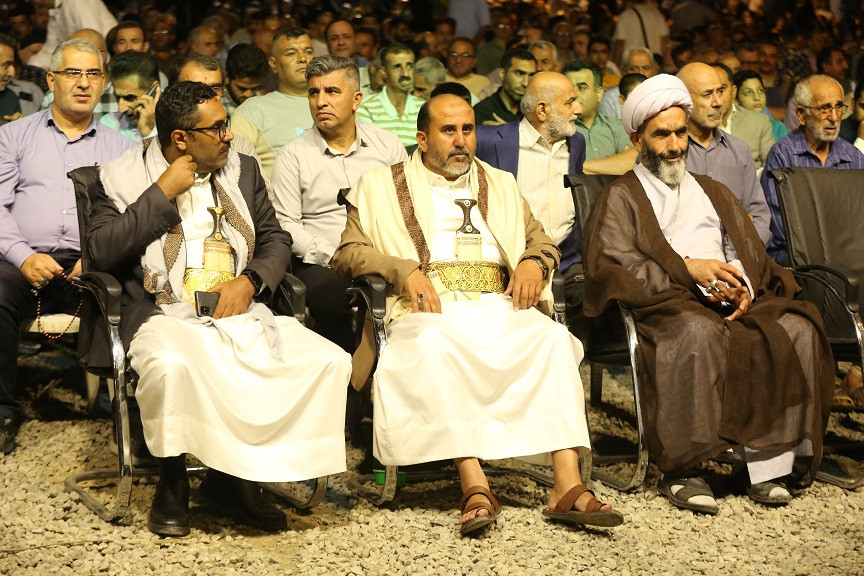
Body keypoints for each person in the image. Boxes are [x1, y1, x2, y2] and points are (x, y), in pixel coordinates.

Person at [331, 93, 623, 535]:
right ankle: (474, 482)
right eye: (448, 131)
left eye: (467, 130)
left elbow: (541, 241)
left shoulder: (500, 182)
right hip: (425, 308)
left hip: (499, 303)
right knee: (434, 345)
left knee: (552, 340)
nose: (461, 141)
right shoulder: (378, 185)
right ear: (422, 139)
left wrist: (533, 263)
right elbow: (347, 253)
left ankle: (566, 485)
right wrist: (401, 270)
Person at [85, 81, 351, 537]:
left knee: (326, 360)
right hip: (161, 311)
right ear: (181, 138)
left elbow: (275, 238)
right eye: (218, 128)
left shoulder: (243, 170)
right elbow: (101, 252)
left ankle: (239, 476)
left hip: (239, 309)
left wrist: (249, 282)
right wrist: (161, 192)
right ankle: (173, 482)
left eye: (226, 124)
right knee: (171, 364)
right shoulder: (118, 177)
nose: (230, 136)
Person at [584, 73, 833, 515]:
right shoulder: (621, 197)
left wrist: (742, 286)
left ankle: (765, 465)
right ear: (637, 139)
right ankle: (685, 468)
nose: (675, 145)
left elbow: (748, 251)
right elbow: (614, 265)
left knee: (796, 325)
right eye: (662, 135)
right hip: (664, 305)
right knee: (697, 332)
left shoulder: (712, 190)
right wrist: (688, 271)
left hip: (728, 300)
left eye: (680, 133)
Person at [0, 38, 130, 455]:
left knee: (136, 293)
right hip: (21, 258)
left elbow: (128, 221)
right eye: (73, 72)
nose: (83, 82)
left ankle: (131, 415)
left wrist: (94, 257)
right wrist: (23, 256)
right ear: (52, 80)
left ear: (104, 82)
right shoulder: (13, 136)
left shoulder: (121, 148)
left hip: (90, 264)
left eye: (93, 73)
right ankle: (3, 412)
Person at [271, 55, 406, 354]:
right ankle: (345, 374)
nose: (321, 101)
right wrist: (332, 255)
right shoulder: (293, 156)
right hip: (321, 260)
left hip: (381, 253)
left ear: (356, 99)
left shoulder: (388, 146)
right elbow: (286, 224)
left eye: (332, 91)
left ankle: (394, 370)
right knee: (330, 296)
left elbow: (406, 208)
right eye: (313, 92)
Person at [475, 71, 587, 337]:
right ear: (542, 110)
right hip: (511, 263)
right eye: (570, 102)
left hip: (566, 260)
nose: (579, 109)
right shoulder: (489, 140)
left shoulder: (577, 142)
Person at [761, 75, 864, 265]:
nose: (834, 117)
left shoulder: (854, 157)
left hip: (846, 255)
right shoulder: (783, 155)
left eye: (838, 107)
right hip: (795, 256)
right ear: (801, 114)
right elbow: (779, 225)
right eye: (825, 108)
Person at [676, 63, 772, 246]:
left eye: (719, 92)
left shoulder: (739, 150)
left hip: (741, 256)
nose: (718, 102)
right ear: (683, 99)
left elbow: (759, 215)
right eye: (707, 94)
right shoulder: (667, 152)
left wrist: (744, 254)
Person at [231, 28, 315, 177]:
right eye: (291, 53)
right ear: (273, 64)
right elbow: (236, 172)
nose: (303, 58)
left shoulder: (335, 104)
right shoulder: (252, 110)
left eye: (308, 52)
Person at [562, 61, 636, 174]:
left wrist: (575, 167)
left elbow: (631, 163)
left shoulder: (617, 127)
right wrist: (613, 166)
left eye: (581, 87)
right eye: (569, 89)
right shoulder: (557, 130)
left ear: (599, 93)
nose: (574, 95)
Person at [711, 63, 775, 172]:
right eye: (708, 91)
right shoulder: (695, 125)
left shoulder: (759, 121)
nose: (716, 97)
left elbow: (772, 167)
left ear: (733, 91)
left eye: (721, 90)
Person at [356, 43, 423, 147]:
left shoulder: (424, 108)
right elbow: (370, 151)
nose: (405, 73)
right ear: (384, 72)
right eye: (397, 67)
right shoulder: (366, 108)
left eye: (410, 66)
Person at [26, 0, 116, 71]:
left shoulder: (77, 2)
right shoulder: (54, 11)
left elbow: (94, 41)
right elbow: (50, 52)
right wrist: (31, 64)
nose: (27, 0)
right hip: (83, 62)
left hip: (111, 62)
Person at [99, 50, 161, 143]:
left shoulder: (175, 126)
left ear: (154, 90)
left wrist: (148, 133)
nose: (121, 109)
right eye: (117, 97)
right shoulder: (108, 124)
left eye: (130, 98)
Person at [472, 47, 536, 126]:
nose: (525, 83)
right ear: (502, 74)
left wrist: (506, 132)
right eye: (519, 73)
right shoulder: (483, 111)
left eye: (531, 75)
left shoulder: (536, 111)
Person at [598, 47, 658, 119]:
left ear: (653, 70)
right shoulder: (609, 100)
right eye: (633, 69)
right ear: (623, 70)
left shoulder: (661, 95)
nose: (641, 73)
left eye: (645, 68)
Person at [733, 69, 788, 143]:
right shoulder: (729, 129)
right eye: (748, 92)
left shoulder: (778, 128)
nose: (757, 97)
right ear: (735, 99)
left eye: (760, 90)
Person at [222, 43, 269, 115]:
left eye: (254, 88)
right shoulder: (215, 107)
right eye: (242, 88)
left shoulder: (264, 104)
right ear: (227, 78)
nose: (249, 94)